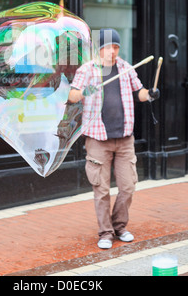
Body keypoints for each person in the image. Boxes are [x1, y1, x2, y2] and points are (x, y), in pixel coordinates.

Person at [68, 28, 160, 249]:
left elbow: (140, 92)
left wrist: (151, 94)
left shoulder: (126, 68)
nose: (113, 51)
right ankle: (106, 233)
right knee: (101, 189)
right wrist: (84, 92)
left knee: (128, 186)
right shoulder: (87, 70)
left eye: (116, 47)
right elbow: (71, 97)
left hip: (125, 138)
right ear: (100, 49)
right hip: (98, 139)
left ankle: (119, 226)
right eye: (109, 47)